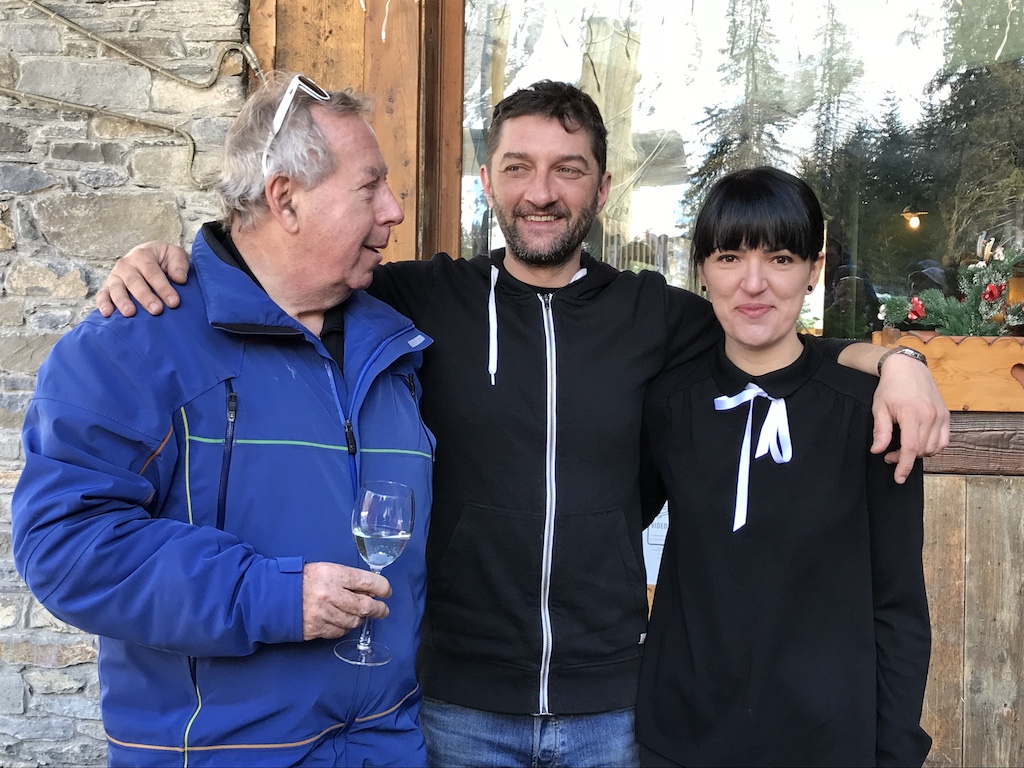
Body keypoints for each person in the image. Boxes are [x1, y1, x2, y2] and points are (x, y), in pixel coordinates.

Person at [95, 81, 948, 767]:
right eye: (518, 167)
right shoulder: (414, 299)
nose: (541, 192)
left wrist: (897, 360)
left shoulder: (659, 315)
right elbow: (282, 272)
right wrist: (171, 261)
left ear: (602, 189)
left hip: (610, 707)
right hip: (457, 703)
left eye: (568, 169)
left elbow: (768, 329)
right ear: (488, 181)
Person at [12, 73, 435, 767]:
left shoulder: (397, 349)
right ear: (285, 198)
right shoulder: (134, 341)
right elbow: (66, 546)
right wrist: (271, 597)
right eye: (370, 187)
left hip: (383, 746)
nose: (393, 210)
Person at [637, 167, 931, 767]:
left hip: (827, 741)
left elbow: (898, 603)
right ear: (701, 270)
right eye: (728, 257)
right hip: (681, 738)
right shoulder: (668, 405)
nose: (754, 283)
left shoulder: (870, 414)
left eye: (780, 258)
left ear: (814, 269)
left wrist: (895, 750)